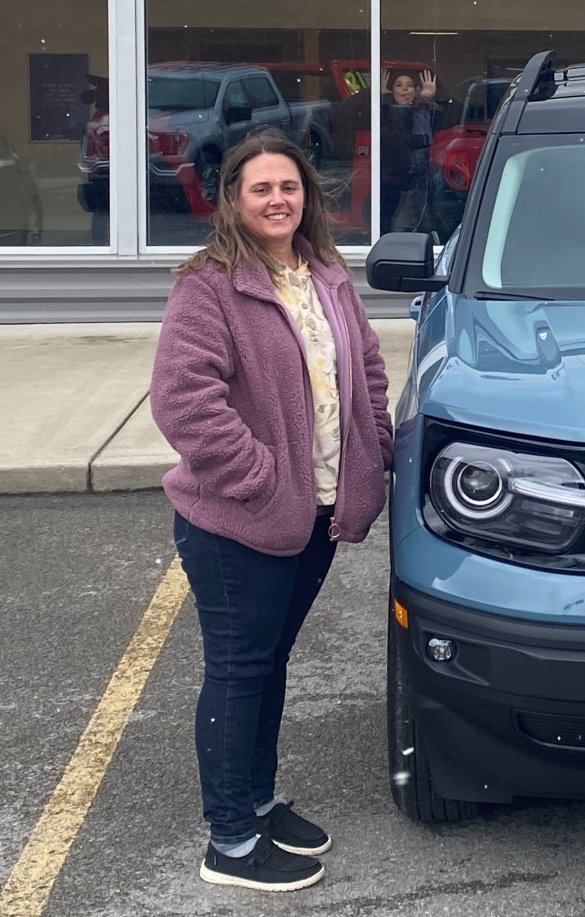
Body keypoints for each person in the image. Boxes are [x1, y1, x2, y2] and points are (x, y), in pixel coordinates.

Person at [150, 127, 393, 892]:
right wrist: (261, 478)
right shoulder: (209, 285)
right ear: (232, 200)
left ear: (306, 196)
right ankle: (228, 842)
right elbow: (185, 404)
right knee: (237, 669)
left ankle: (255, 802)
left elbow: (368, 368)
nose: (277, 199)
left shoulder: (325, 272)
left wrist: (374, 447)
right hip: (238, 522)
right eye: (261, 188)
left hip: (314, 515)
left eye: (288, 186)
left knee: (268, 666)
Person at [380, 67, 446, 234]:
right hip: (392, 181)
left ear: (416, 90)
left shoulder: (425, 110)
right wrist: (381, 96)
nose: (404, 89)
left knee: (424, 224)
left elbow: (430, 135)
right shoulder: (383, 112)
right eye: (398, 85)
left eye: (409, 85)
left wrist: (426, 99)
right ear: (391, 90)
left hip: (421, 179)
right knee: (393, 224)